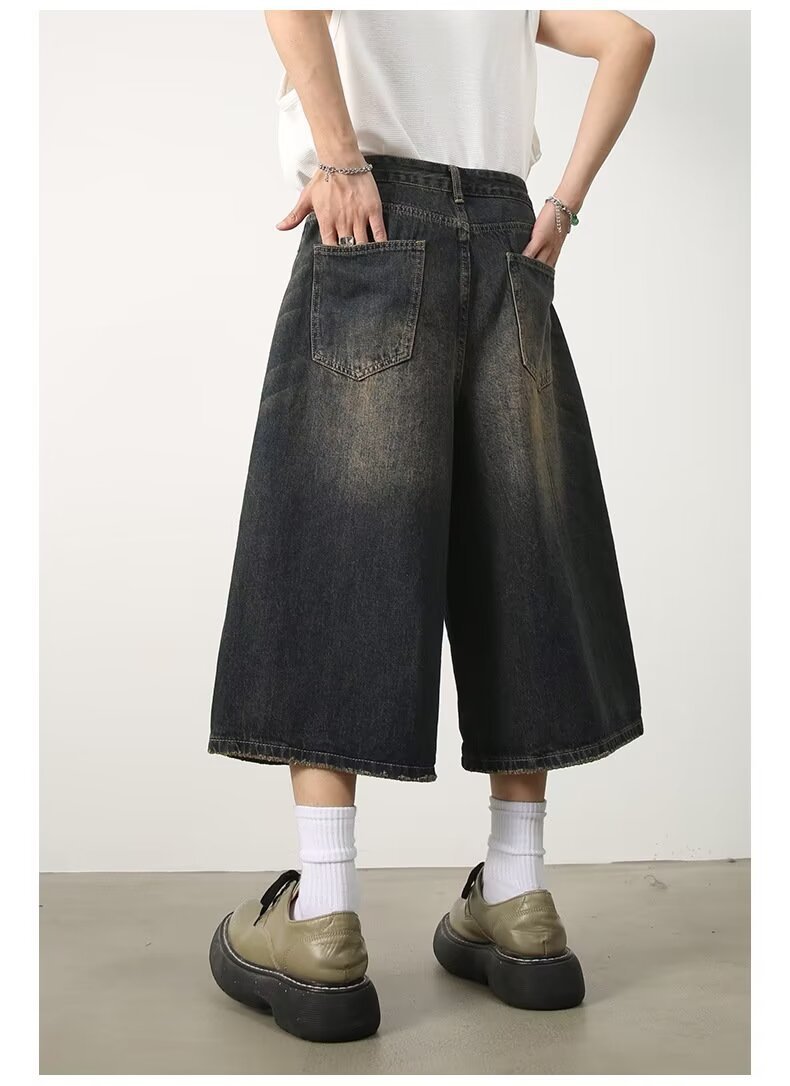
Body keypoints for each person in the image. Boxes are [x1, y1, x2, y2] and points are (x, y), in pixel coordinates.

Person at [207, 10, 655, 1043]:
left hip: (376, 219)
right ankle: (520, 898)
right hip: (507, 233)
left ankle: (323, 916)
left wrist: (340, 160)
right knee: (518, 551)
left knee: (337, 542)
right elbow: (629, 40)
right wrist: (562, 206)